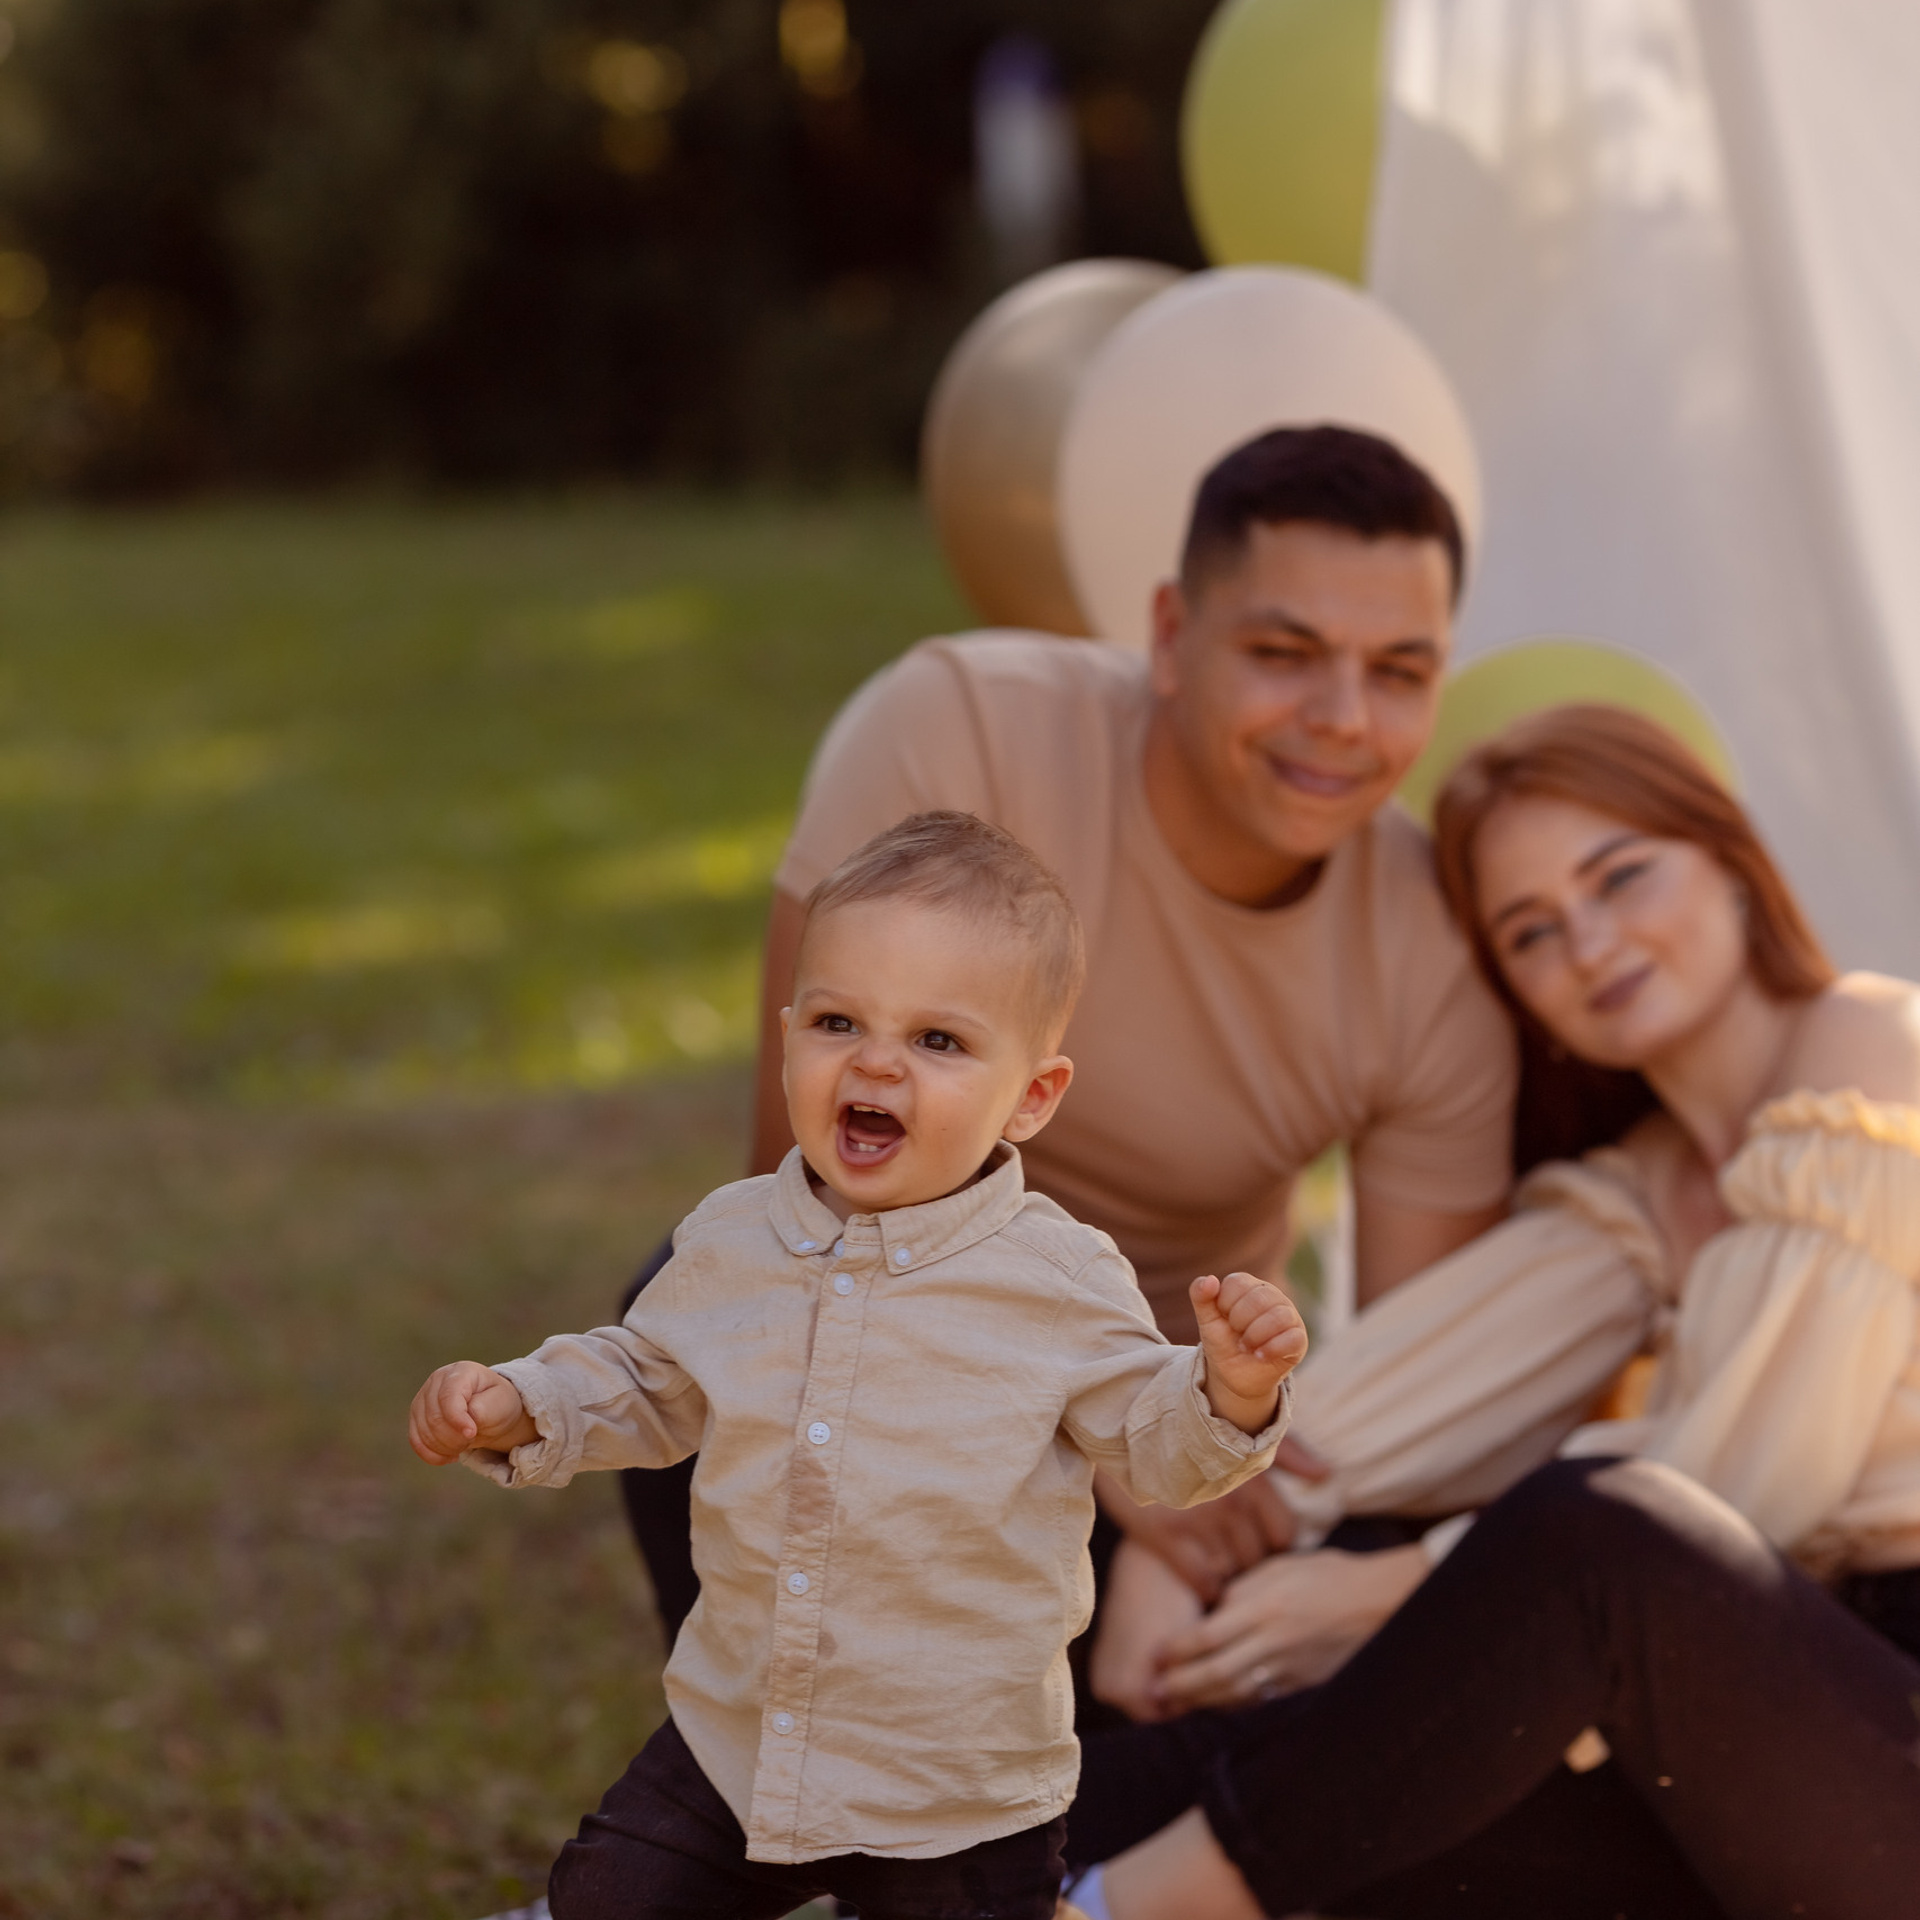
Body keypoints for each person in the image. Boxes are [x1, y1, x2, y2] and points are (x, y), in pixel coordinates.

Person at [621, 424, 1518, 1640]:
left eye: (1400, 672)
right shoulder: (958, 730)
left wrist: (1173, 1465)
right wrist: (1066, 1430)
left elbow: (1413, 1389)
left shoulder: (1431, 954)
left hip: (1175, 1424)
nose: (1344, 719)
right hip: (890, 1356)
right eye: (1283, 653)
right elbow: (801, 1210)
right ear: (1170, 636)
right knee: (704, 1314)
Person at [1064, 705, 1920, 1920]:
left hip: (1887, 1725)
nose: (1592, 944)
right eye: (1533, 931)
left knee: (1582, 1539)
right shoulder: (1630, 1199)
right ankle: (963, 1874)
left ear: (1731, 858)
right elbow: (1388, 1407)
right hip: (1764, 1748)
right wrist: (1186, 1529)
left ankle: (1123, 1910)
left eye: (1620, 876)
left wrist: (1397, 1593)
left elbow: (1749, 1472)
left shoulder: (1876, 1049)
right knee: (1375, 1721)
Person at [409, 811, 1305, 1920]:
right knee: (606, 1901)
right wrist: (523, 1401)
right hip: (743, 1737)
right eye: (839, 1022)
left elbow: (1154, 1445)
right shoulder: (733, 1239)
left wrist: (1228, 1391)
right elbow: (648, 1380)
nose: (876, 1061)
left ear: (1032, 1095)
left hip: (953, 1786)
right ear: (788, 1037)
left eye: (939, 1041)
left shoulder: (1059, 1279)